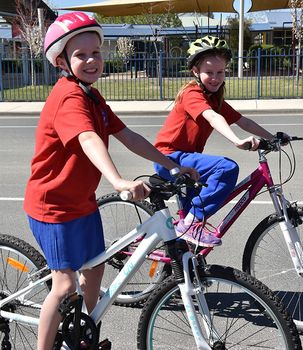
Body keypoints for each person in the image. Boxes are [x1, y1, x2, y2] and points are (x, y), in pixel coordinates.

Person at [23, 12, 198, 350]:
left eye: (96, 52)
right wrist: (118, 180)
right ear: (61, 60)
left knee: (96, 270)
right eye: (80, 54)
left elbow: (126, 135)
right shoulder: (69, 98)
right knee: (64, 286)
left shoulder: (92, 96)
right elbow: (88, 139)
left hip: (81, 203)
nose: (91, 60)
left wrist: (171, 165)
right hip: (53, 206)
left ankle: (83, 337)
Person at [154, 35, 282, 248]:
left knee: (187, 238)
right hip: (169, 158)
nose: (215, 78)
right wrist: (236, 141)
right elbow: (213, 118)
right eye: (209, 73)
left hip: (186, 160)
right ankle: (191, 223)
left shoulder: (215, 99)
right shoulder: (192, 94)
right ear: (195, 71)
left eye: (220, 72)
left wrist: (273, 138)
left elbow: (243, 121)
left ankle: (179, 264)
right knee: (226, 168)